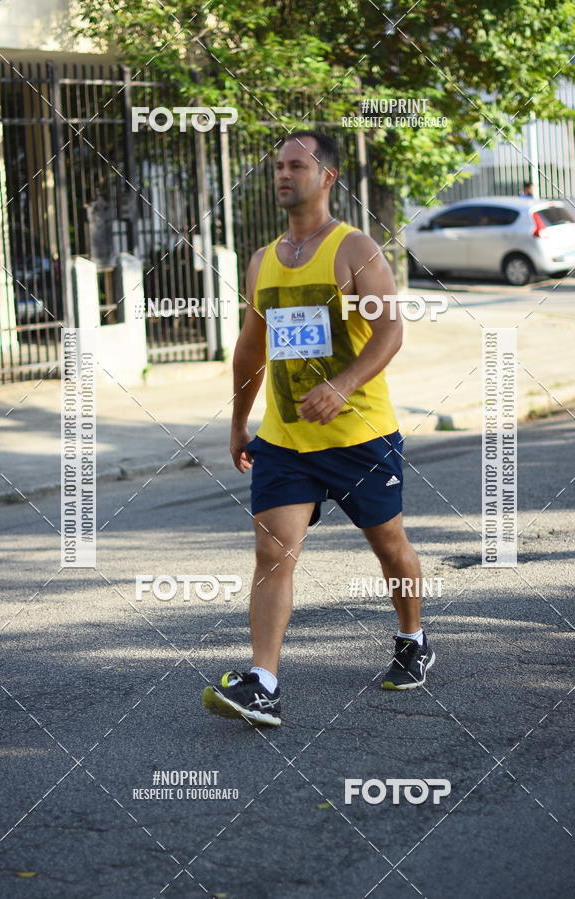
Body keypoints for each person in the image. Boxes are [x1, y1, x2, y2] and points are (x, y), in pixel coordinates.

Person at [201, 130, 435, 727]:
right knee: (271, 553)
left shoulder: (355, 249)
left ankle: (413, 637)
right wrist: (238, 422)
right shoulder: (262, 261)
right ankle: (264, 682)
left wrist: (342, 386)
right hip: (285, 442)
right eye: (277, 165)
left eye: (296, 165)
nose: (283, 174)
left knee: (390, 548)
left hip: (360, 437)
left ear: (328, 177)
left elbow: (389, 333)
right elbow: (249, 351)